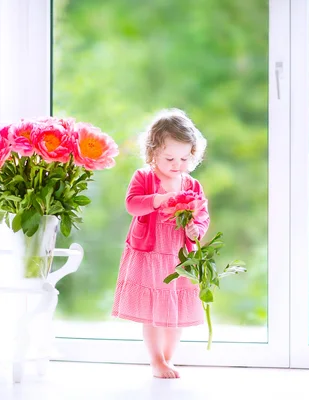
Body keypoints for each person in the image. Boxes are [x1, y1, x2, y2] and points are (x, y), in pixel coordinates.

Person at [111, 108, 209, 379]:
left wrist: (194, 230)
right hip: (151, 254)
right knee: (152, 312)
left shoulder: (192, 184)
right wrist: (157, 199)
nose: (177, 164)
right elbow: (132, 204)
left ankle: (168, 358)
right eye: (169, 158)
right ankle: (156, 360)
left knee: (176, 312)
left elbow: (202, 215)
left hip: (179, 257)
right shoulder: (144, 178)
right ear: (153, 152)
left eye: (184, 157)